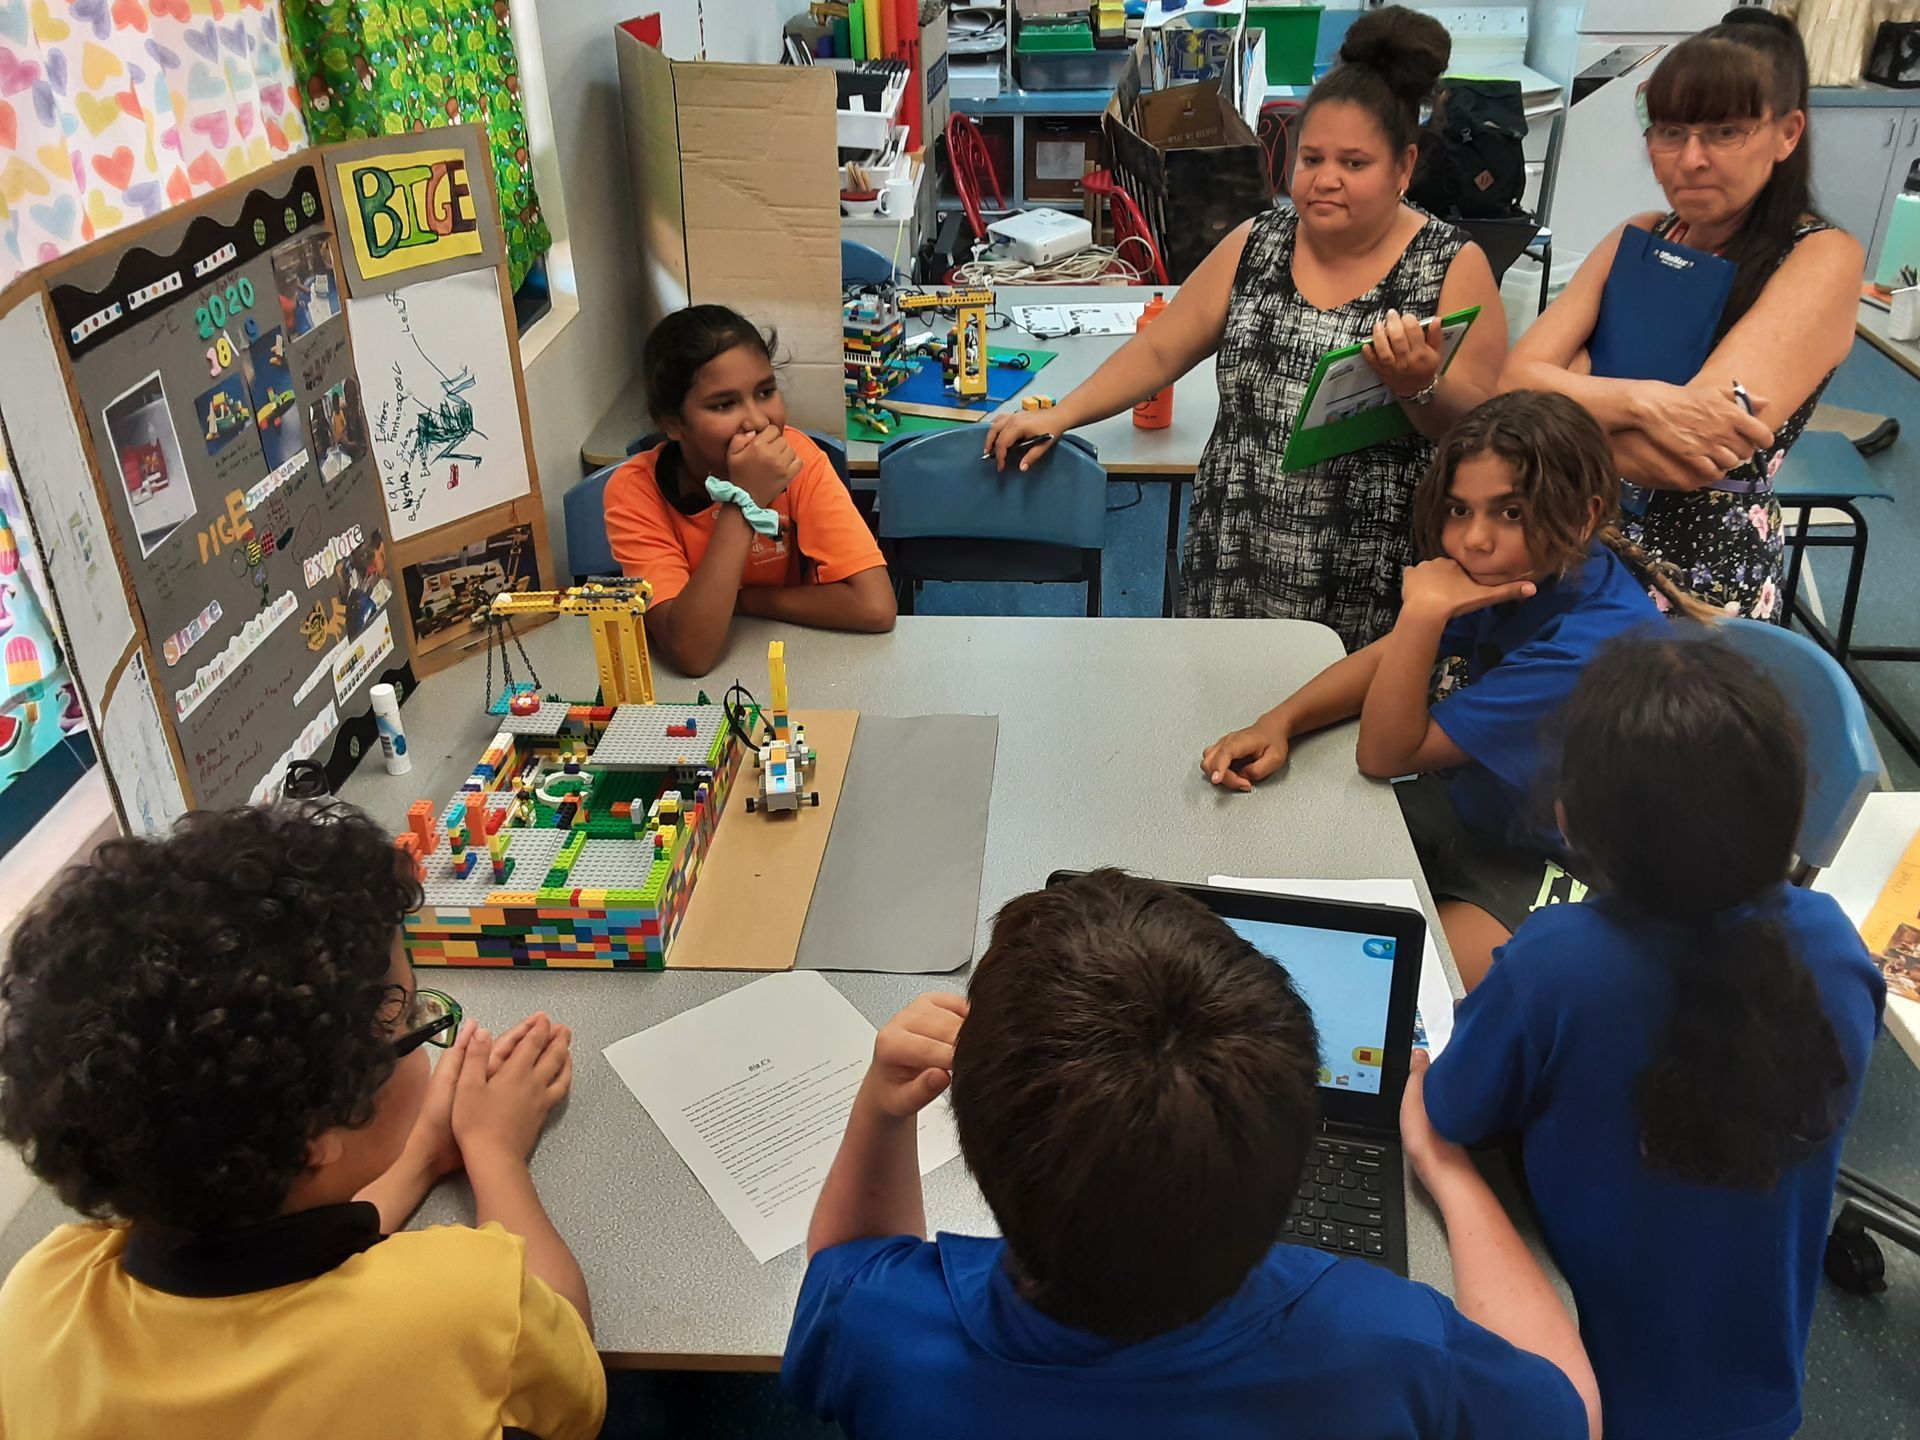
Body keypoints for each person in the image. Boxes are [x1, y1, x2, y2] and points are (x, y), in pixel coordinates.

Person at [784, 870, 1602, 1439]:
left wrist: (881, 1110)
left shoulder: (885, 1330)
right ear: (1288, 1171)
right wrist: (1452, 1175)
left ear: (977, 1136)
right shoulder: (1385, 1345)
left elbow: (846, 1263)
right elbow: (1567, 1410)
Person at [0, 803, 604, 1440]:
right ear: (319, 1137)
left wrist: (420, 1157)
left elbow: (273, 1254)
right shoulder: (463, 1307)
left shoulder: (40, 1293)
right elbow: (566, 1352)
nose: (420, 1034)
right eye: (403, 1022)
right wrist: (494, 1151)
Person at [1423, 635, 1886, 1439]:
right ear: (1787, 807)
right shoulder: (1838, 947)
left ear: (1572, 820)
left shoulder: (1558, 960)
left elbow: (1454, 1110)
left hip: (1581, 1389)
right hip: (1756, 1403)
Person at [985, 6, 1508, 650]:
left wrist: (1421, 385)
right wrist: (1063, 414)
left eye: (1355, 162)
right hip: (1234, 547)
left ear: (1403, 167)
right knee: (1214, 711)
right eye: (1312, 158)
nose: (1326, 180)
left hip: (1368, 564)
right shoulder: (1257, 243)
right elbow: (1161, 347)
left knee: (1343, 739)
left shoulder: (1451, 266)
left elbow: (1482, 433)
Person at [1201, 391, 1668, 987]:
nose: (1474, 540)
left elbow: (1384, 756)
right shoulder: (1537, 569)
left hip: (1565, 865)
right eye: (1458, 510)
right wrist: (1281, 720)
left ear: (1582, 514)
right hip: (1480, 808)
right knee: (1272, 868)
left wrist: (1422, 614)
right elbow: (1389, 659)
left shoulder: (1584, 651)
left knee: (1372, 988)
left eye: (1511, 513)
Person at [1501, 10, 1861, 620]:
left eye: (1725, 132)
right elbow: (1511, 387)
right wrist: (1648, 404)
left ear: (1787, 133)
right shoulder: (1638, 236)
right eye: (1670, 131)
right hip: (1561, 532)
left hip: (1689, 575)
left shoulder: (1819, 257)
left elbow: (1687, 458)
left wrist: (1565, 394)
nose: (1690, 159)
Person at [604, 304, 895, 676]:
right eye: (724, 404)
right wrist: (744, 500)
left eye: (765, 391)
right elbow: (691, 652)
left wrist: (747, 601)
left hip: (793, 666)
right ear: (672, 423)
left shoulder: (799, 458)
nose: (758, 421)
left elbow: (876, 607)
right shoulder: (635, 492)